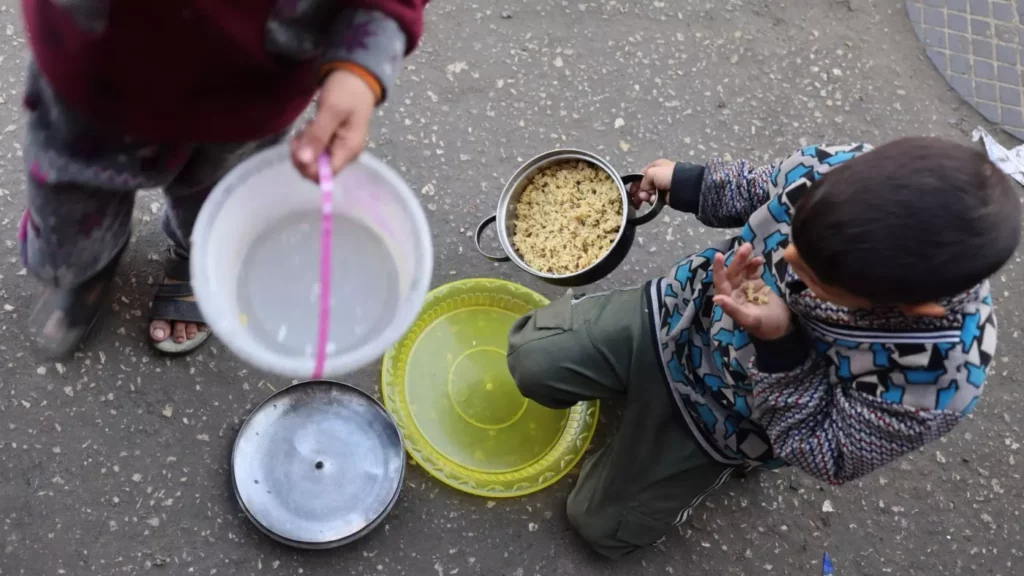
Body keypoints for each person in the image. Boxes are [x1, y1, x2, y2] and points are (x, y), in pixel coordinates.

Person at [506, 137, 1020, 559]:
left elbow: (828, 453)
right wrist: (689, 182)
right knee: (530, 357)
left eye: (816, 275)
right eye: (796, 235)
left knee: (601, 528)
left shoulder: (933, 382)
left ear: (912, 307)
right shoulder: (841, 175)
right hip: (678, 313)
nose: (789, 257)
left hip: (729, 418)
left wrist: (779, 343)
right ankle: (638, 398)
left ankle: (708, 464)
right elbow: (765, 185)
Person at [19, 0, 428, 357]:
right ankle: (83, 268)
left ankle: (199, 263)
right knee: (70, 219)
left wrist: (363, 59)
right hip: (91, 76)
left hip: (252, 88)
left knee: (221, 206)